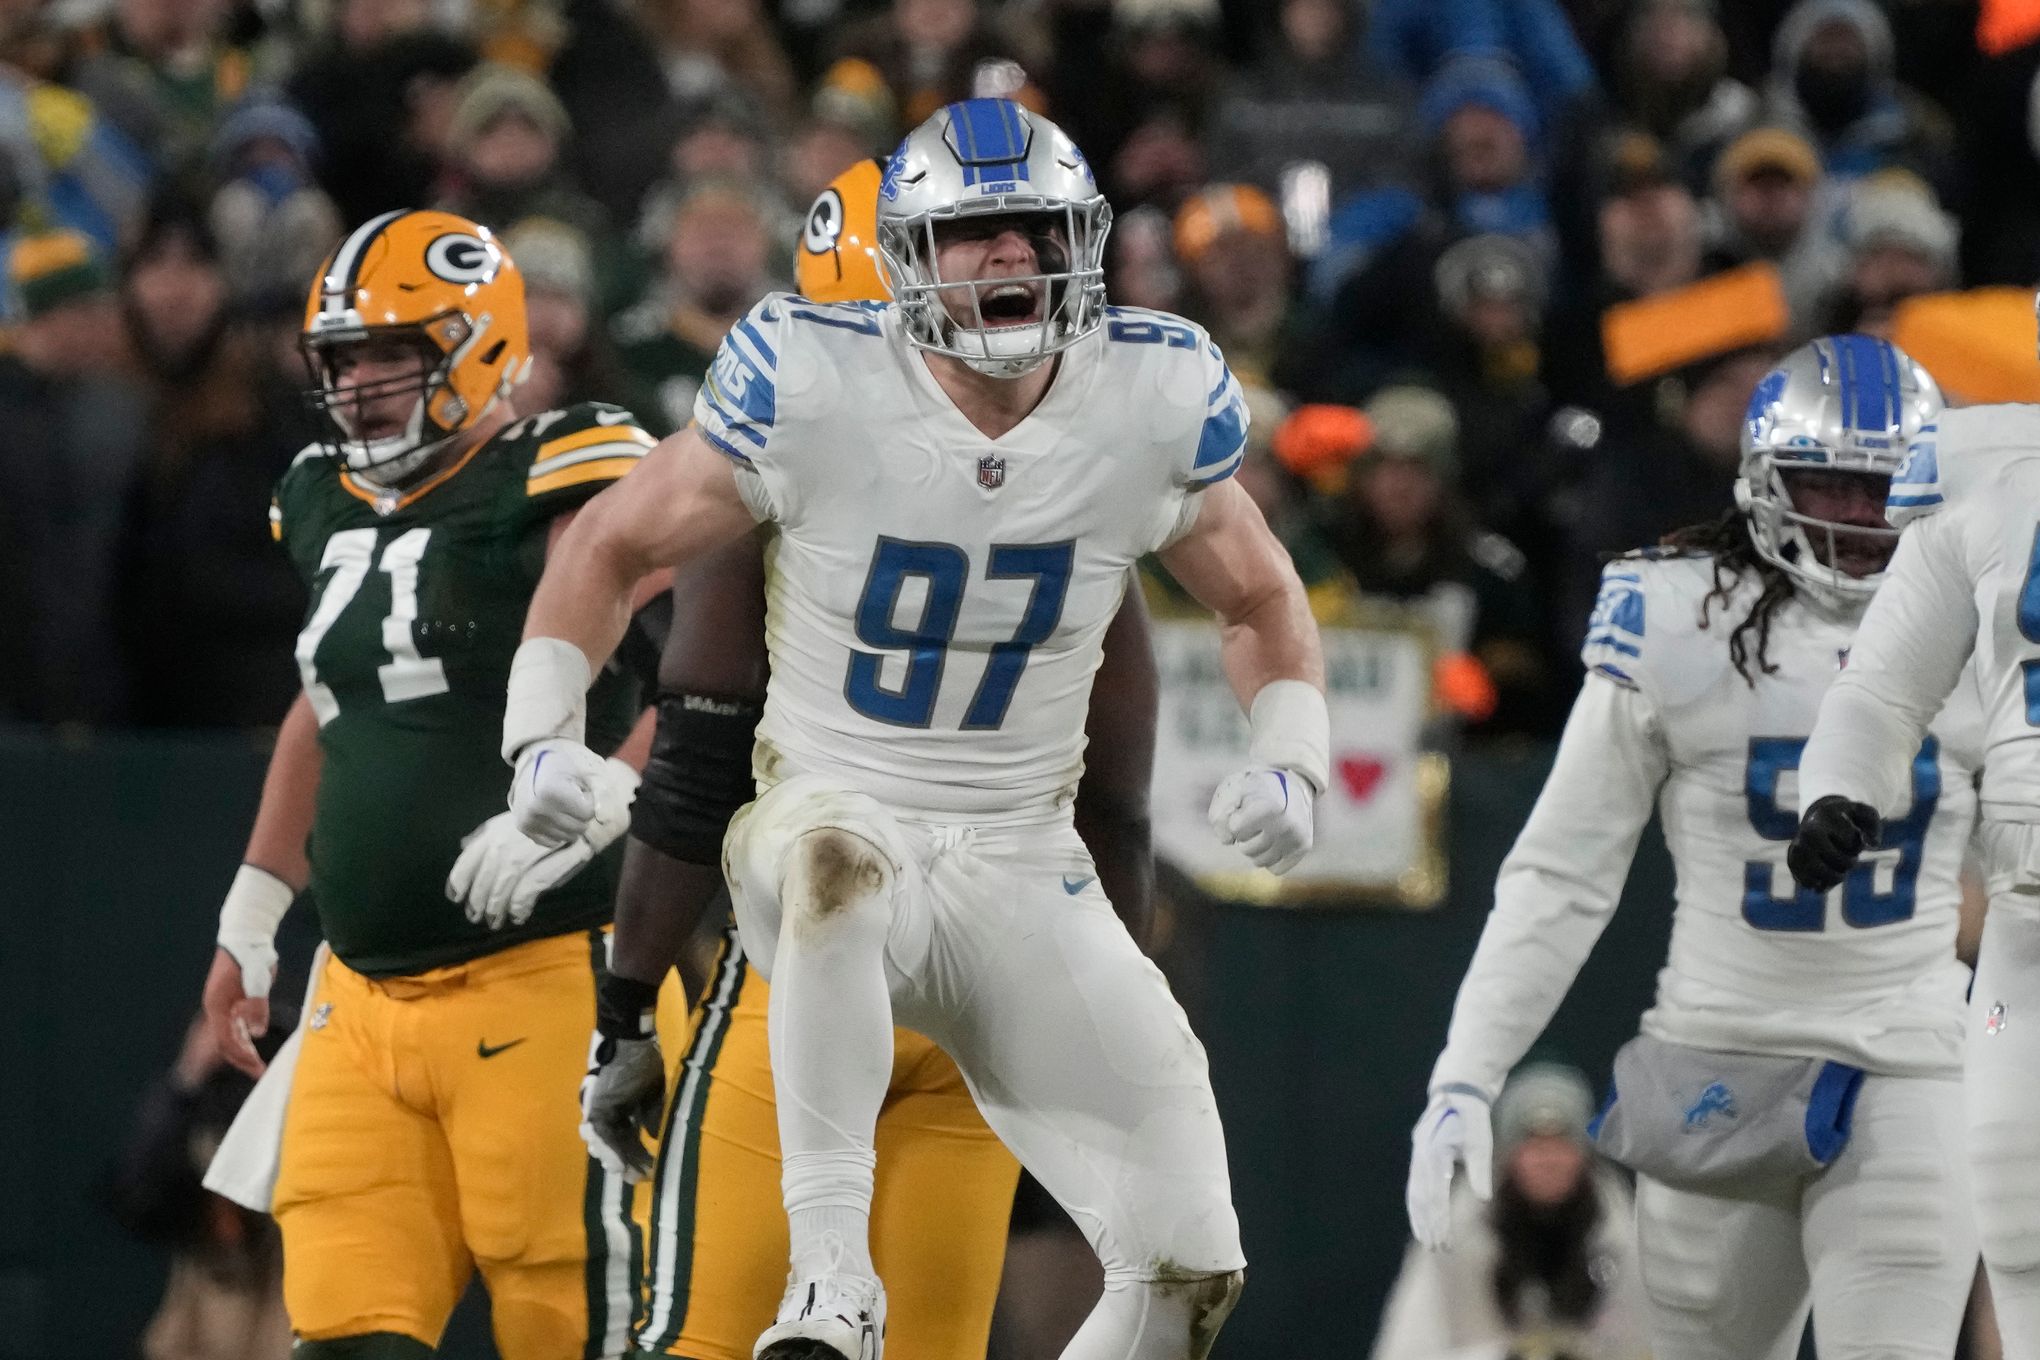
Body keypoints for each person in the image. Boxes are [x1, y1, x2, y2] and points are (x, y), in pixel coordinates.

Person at [501, 98, 1327, 1359]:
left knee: (1192, 1259)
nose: (1010, 258)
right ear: (904, 258)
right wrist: (542, 726)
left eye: (1034, 228)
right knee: (839, 868)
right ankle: (830, 1283)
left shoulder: (1144, 397)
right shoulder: (818, 385)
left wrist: (1294, 750)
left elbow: (1262, 592)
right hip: (830, 808)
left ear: (1085, 240)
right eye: (975, 232)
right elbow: (614, 544)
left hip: (1021, 862)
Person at [579, 154, 1159, 1360]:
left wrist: (629, 1001)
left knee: (697, 1343)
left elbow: (694, 769)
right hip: (987, 996)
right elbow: (1118, 807)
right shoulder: (1095, 490)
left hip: (806, 975)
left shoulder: (771, 485)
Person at [1409, 335, 1983, 1360]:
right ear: (1765, 480)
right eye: (1827, 485)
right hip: (1724, 1055)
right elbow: (1562, 871)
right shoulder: (1679, 613)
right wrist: (1467, 1071)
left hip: (1911, 1061)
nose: (1854, 518)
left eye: (1881, 489)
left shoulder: (1985, 620)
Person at [195, 209, 666, 1359]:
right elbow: (325, 704)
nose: (357, 386)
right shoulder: (317, 495)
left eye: (390, 354)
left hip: (547, 978)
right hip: (355, 1003)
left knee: (575, 1321)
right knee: (348, 1327)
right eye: (341, 360)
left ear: (480, 341)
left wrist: (611, 789)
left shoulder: (559, 463)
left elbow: (699, 665)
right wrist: (253, 916)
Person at [1789, 338, 2040, 1359]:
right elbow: (1882, 688)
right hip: (2030, 922)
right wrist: (1837, 793)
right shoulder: (1990, 484)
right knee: (2017, 1205)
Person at [1373, 1063, 1651, 1360]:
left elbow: (1648, 1346)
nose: (1548, 1161)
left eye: (1561, 1145)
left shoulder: (1621, 1235)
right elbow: (1403, 1350)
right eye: (1533, 1146)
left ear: (1585, 1156)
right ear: (1505, 1155)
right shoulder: (1456, 1236)